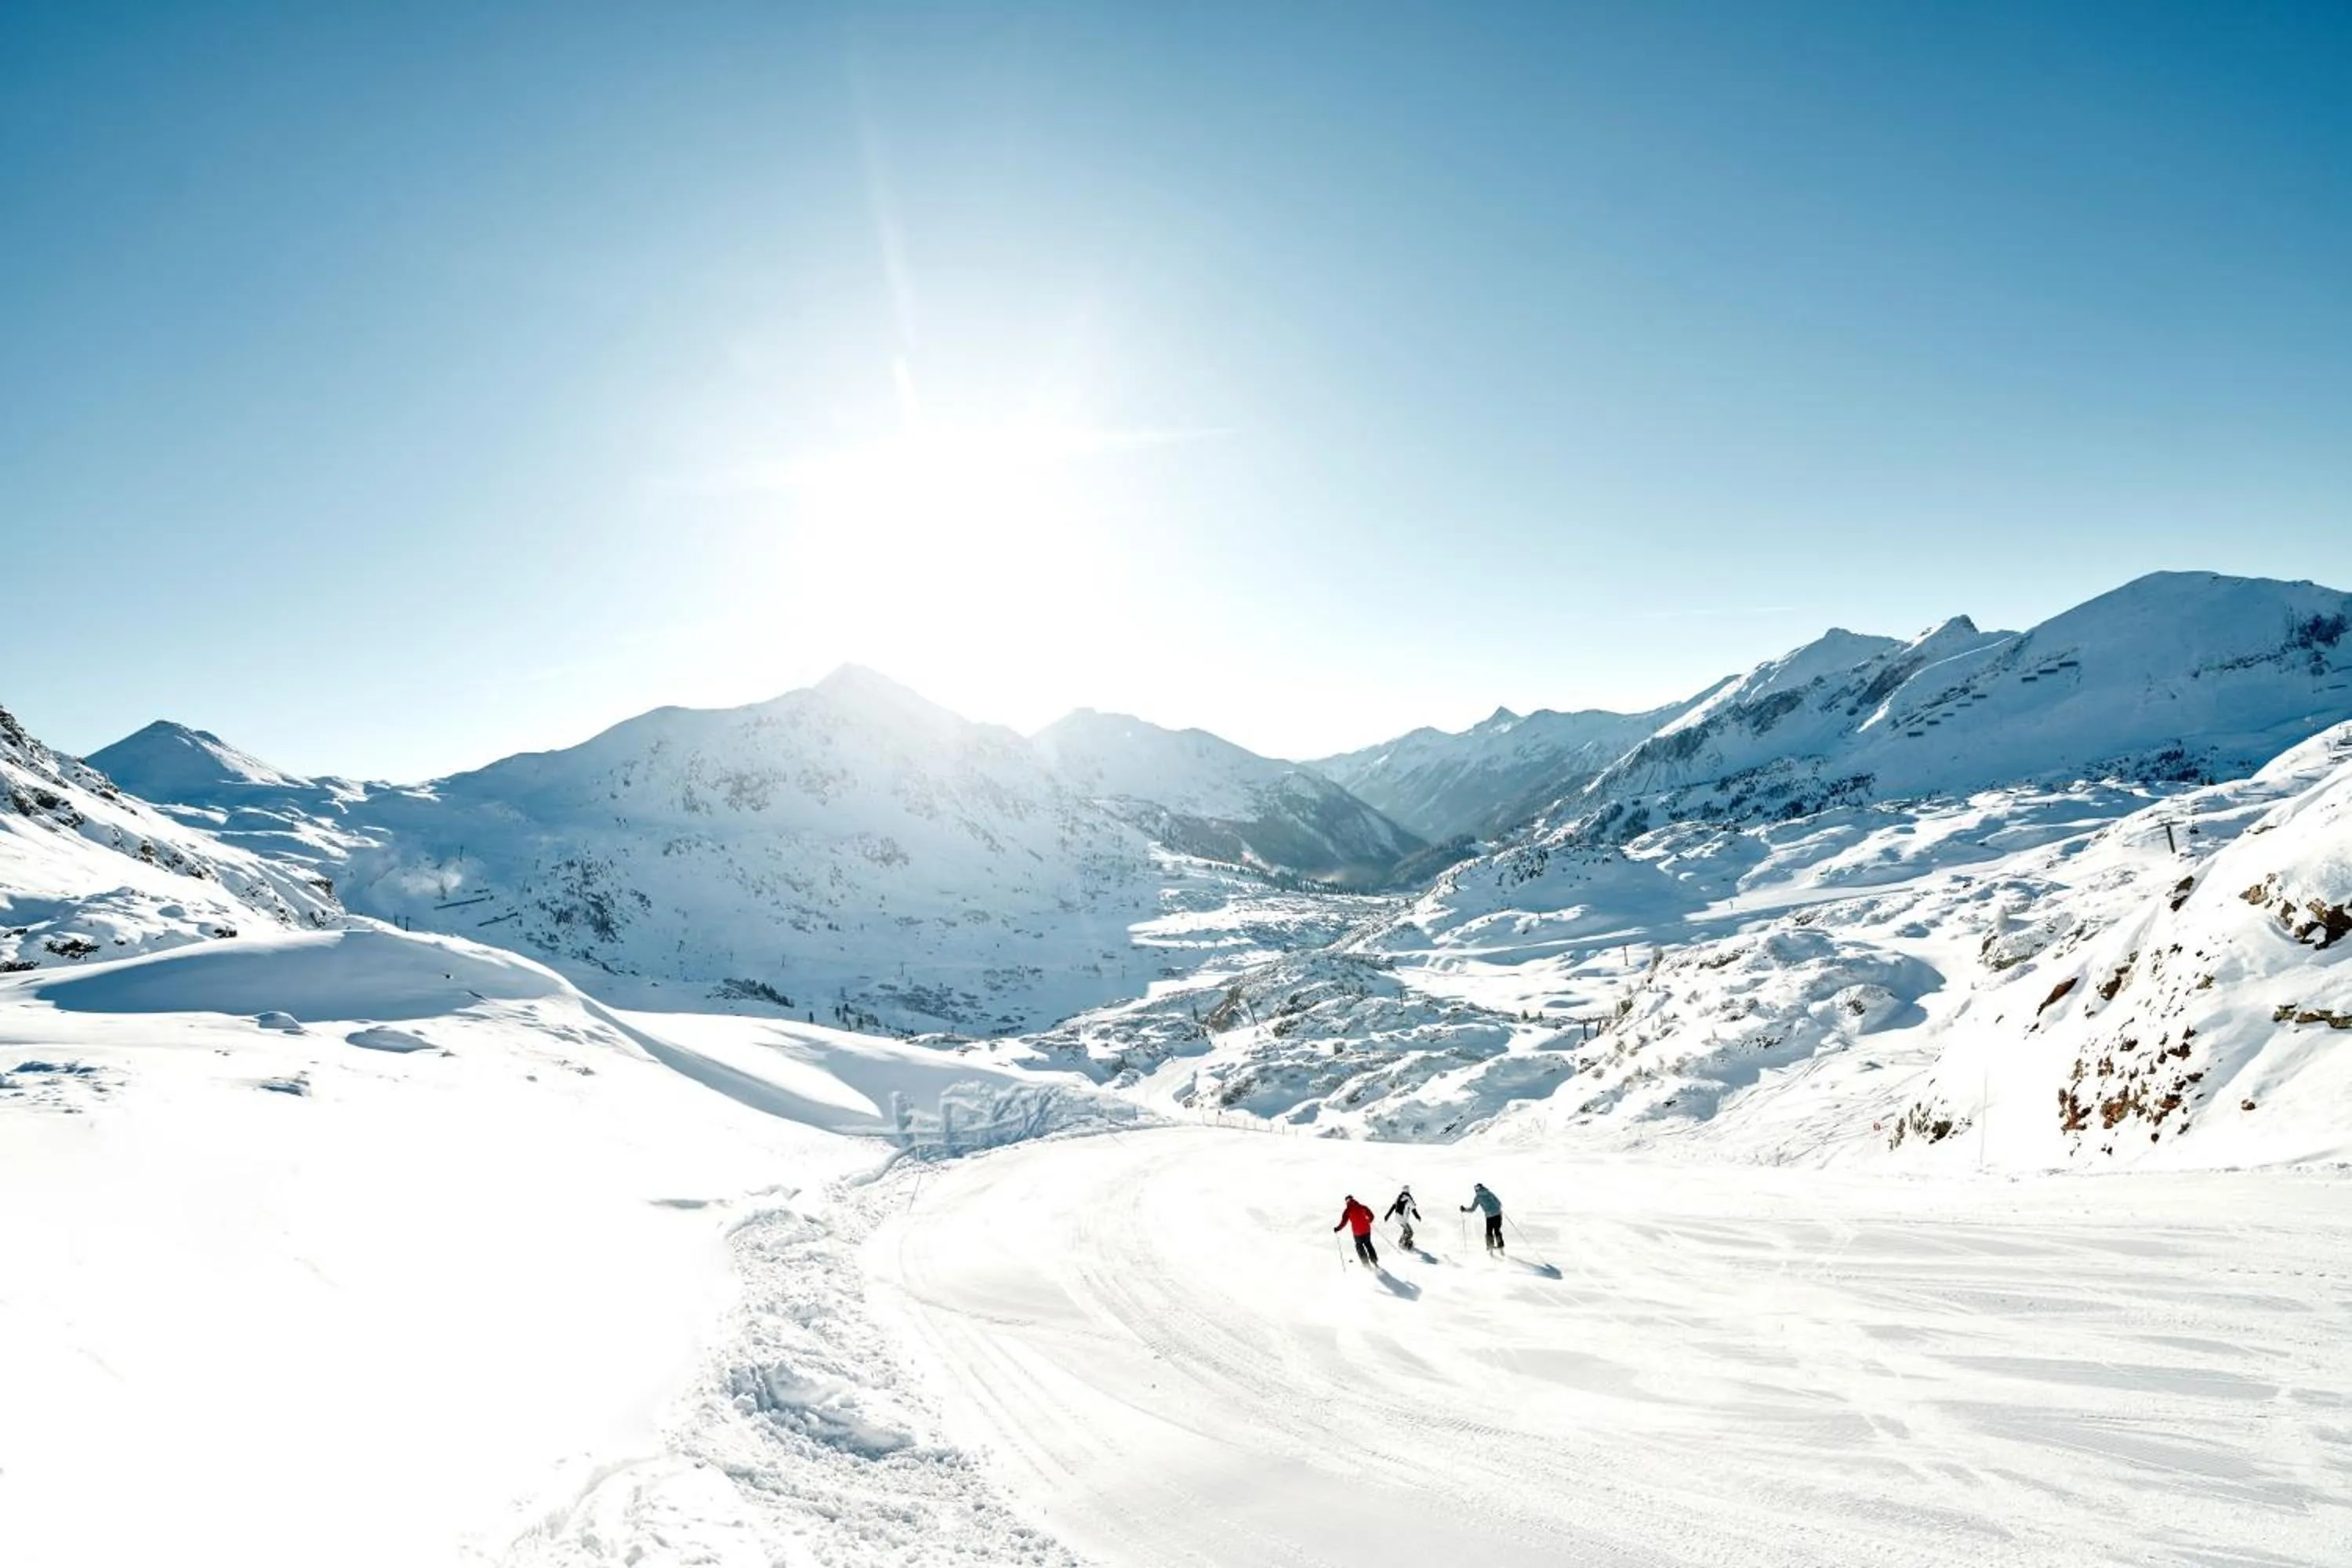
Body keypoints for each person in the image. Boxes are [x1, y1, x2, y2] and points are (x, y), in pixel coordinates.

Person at [1334, 1194, 1379, 1267]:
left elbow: (1343, 1222)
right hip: (1367, 1230)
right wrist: (1368, 1222)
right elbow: (1372, 1216)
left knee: (1359, 1246)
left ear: (1346, 1202)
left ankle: (1366, 1264)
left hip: (1358, 1233)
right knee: (1368, 1244)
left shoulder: (1347, 1210)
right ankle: (1374, 1261)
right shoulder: (1362, 1207)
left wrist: (1338, 1229)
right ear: (1353, 1199)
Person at [1461, 1182, 1504, 1254]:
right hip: (1497, 1215)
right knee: (1497, 1230)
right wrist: (1497, 1209)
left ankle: (1490, 1246)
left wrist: (1464, 1209)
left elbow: (1472, 1209)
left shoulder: (1478, 1198)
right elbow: (1499, 1203)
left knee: (1489, 1232)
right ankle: (1500, 1246)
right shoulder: (1489, 1193)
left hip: (1489, 1216)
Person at [1384, 1185, 1421, 1250]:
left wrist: (1387, 1216)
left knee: (1406, 1231)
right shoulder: (1409, 1199)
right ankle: (1405, 1245)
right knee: (1410, 1232)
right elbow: (1413, 1210)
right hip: (1403, 1219)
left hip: (1398, 1219)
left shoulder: (1398, 1198)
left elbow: (1393, 1207)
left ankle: (1401, 1242)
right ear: (1408, 1191)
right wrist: (1418, 1217)